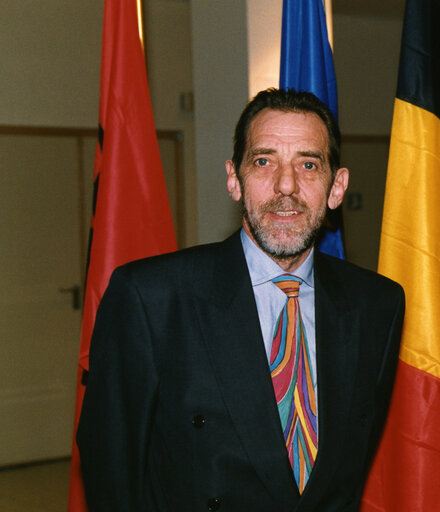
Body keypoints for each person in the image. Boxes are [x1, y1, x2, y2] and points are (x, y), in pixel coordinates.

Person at [77, 88, 405, 511]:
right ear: (234, 179)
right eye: (264, 161)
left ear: (336, 187)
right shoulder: (152, 298)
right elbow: (112, 472)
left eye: (308, 164)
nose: (286, 186)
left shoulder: (376, 304)